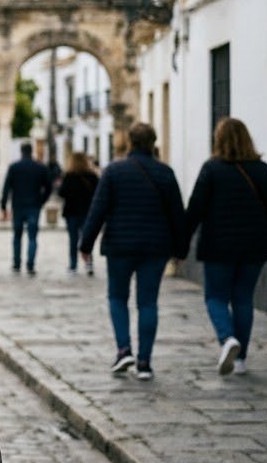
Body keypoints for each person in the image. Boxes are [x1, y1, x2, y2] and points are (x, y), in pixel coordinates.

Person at [185, 117, 267, 376]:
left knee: (215, 297)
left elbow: (195, 210)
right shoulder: (261, 170)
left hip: (218, 246)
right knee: (243, 299)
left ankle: (227, 338)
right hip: (254, 246)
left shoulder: (211, 169)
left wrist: (179, 245)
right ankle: (241, 359)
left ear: (218, 140)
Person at [78, 123, 186, 381]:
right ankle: (145, 362)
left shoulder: (114, 171)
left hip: (120, 245)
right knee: (148, 302)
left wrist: (86, 244)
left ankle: (124, 349)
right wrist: (181, 249)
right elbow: (177, 215)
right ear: (153, 142)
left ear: (130, 142)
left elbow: (98, 209)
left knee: (118, 297)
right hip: (155, 247)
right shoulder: (165, 173)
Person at [1, 142, 52, 275]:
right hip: (34, 205)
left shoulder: (14, 167)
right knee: (32, 236)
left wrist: (3, 206)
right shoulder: (40, 167)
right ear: (32, 151)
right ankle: (30, 264)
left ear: (21, 151)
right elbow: (49, 187)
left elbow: (6, 188)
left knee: (17, 236)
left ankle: (17, 264)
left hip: (17, 205)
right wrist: (42, 201)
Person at [58, 152, 100, 276]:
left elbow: (61, 193)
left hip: (71, 212)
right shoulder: (92, 177)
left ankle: (73, 265)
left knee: (73, 239)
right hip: (87, 212)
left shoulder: (68, 176)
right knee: (87, 239)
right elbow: (98, 193)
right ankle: (89, 263)